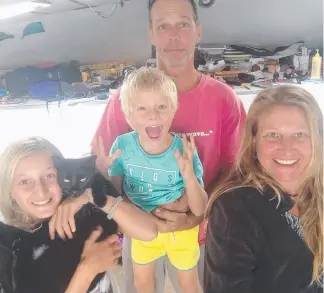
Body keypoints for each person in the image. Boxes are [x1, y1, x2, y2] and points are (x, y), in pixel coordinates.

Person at [92, 0, 245, 291]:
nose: (173, 36)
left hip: (201, 235)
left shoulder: (224, 99)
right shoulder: (122, 101)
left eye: (183, 24)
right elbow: (105, 173)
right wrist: (130, 221)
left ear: (198, 31)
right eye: (163, 26)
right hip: (139, 235)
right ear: (150, 34)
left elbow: (237, 171)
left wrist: (196, 211)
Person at [94, 67, 208, 293]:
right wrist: (102, 172)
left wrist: (189, 176)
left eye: (161, 107)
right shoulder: (122, 146)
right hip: (142, 227)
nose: (153, 115)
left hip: (181, 231)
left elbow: (199, 208)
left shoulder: (183, 149)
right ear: (128, 115)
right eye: (142, 108)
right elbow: (116, 196)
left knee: (189, 286)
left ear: (174, 109)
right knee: (142, 283)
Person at [204, 85, 323, 293]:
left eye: (300, 135)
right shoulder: (233, 209)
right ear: (253, 141)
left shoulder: (318, 191)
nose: (287, 148)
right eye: (272, 135)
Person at [0, 137, 158, 293]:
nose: (41, 191)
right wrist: (87, 270)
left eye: (49, 176)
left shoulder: (81, 212)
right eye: (25, 182)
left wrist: (91, 197)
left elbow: (149, 231)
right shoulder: (7, 244)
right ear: (10, 189)